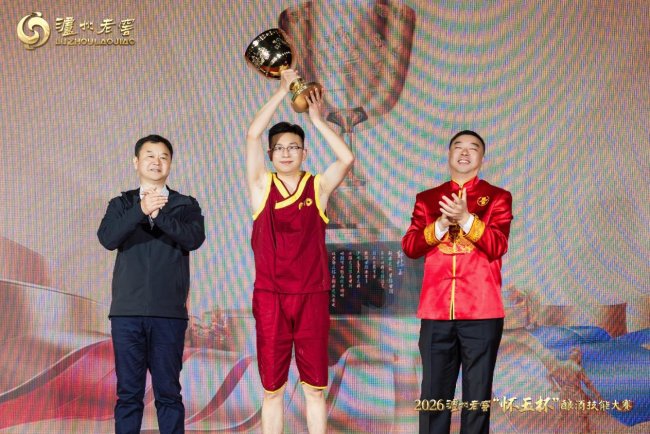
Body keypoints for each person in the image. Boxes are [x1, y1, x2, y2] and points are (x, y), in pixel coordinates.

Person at [245, 69, 354, 434]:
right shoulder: (261, 187)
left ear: (305, 153)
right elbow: (252, 134)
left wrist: (316, 120)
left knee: (315, 389)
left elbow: (346, 159)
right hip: (271, 297)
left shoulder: (317, 187)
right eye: (279, 148)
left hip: (312, 295)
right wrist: (281, 90)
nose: (286, 153)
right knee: (272, 390)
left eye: (294, 147)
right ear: (270, 154)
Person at [402, 130, 513, 434]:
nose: (465, 152)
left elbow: (497, 245)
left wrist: (466, 219)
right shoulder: (427, 199)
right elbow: (411, 246)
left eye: (473, 148)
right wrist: (439, 224)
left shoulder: (498, 197)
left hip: (482, 311)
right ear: (449, 155)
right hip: (436, 311)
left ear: (482, 158)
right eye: (458, 147)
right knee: (433, 396)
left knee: (477, 398)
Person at [97, 135, 205, 434]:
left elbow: (194, 239)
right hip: (127, 313)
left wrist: (161, 215)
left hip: (168, 313)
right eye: (149, 155)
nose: (157, 162)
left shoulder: (185, 204)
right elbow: (108, 238)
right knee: (128, 394)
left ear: (170, 163)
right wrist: (141, 210)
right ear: (136, 162)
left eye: (163, 156)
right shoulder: (121, 203)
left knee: (168, 393)